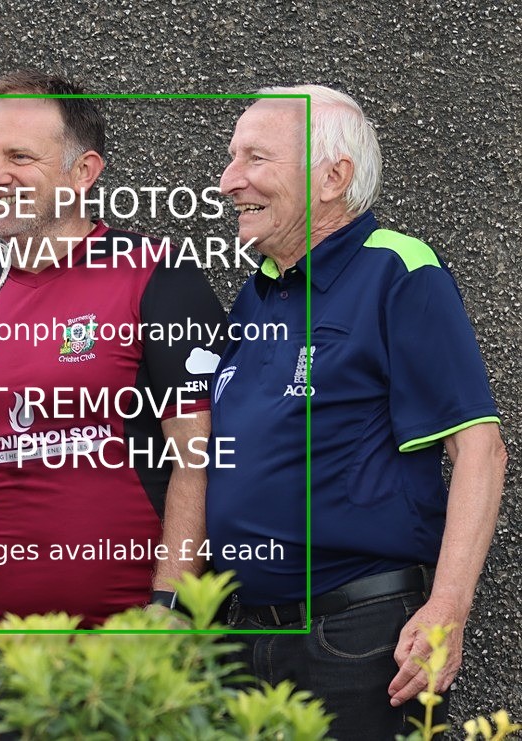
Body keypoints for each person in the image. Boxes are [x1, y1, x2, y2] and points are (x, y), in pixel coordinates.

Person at [207, 85, 507, 739]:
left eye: (255, 159)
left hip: (356, 640)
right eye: (231, 159)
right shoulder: (255, 296)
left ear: (333, 177)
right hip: (242, 635)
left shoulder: (398, 271)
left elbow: (480, 449)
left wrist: (448, 607)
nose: (229, 181)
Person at [0, 70, 228, 627]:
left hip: (136, 645)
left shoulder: (155, 276)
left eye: (20, 157)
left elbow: (202, 460)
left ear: (83, 172)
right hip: (7, 653)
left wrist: (172, 611)